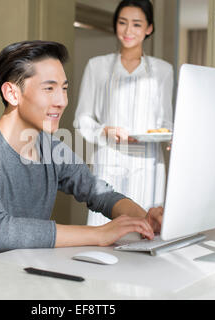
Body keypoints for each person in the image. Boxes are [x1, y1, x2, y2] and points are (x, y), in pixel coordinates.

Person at [0, 40, 163, 268]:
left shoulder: (52, 148)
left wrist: (143, 219)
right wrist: (98, 234)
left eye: (64, 88)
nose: (62, 101)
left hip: (22, 275)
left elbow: (99, 193)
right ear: (12, 94)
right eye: (49, 88)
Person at [73, 0, 174, 226]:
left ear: (149, 28)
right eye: (122, 23)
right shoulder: (96, 66)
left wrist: (169, 136)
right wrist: (104, 130)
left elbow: (166, 121)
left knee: (146, 227)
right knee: (103, 227)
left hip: (148, 163)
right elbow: (82, 119)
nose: (128, 31)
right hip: (110, 158)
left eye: (137, 24)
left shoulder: (163, 71)